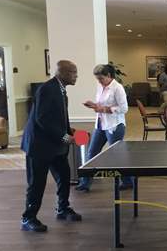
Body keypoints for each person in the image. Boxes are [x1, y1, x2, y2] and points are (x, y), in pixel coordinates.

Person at [21, 60, 82, 232]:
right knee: (37, 183)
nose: (76, 75)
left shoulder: (61, 91)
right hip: (39, 146)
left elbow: (59, 118)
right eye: (73, 72)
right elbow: (43, 119)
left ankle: (62, 208)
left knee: (64, 175)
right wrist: (64, 137)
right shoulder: (47, 89)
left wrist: (70, 131)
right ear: (62, 73)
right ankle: (28, 218)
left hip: (55, 146)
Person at [75, 64, 132, 192]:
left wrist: (105, 109)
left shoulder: (118, 88)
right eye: (97, 79)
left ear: (109, 76)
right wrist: (93, 105)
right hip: (100, 125)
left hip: (115, 126)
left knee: (117, 156)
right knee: (91, 153)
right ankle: (85, 183)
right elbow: (100, 105)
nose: (99, 81)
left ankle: (128, 181)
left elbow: (124, 109)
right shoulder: (101, 87)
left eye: (101, 78)